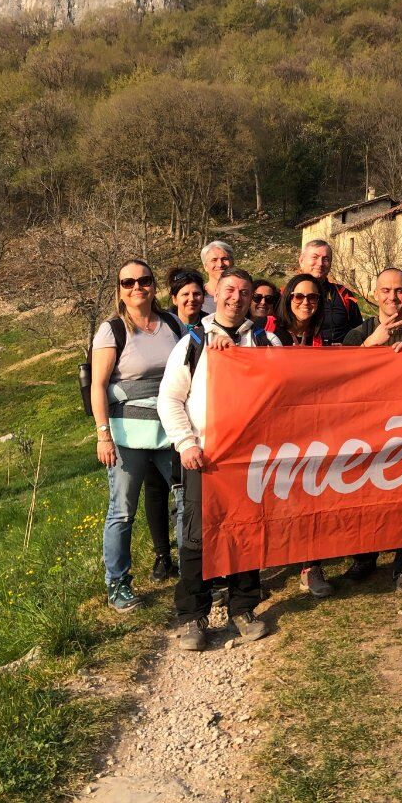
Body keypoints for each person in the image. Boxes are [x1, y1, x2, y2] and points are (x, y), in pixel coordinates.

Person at [158, 269, 272, 650]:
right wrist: (186, 443)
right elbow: (170, 398)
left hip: (249, 459)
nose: (236, 298)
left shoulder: (264, 340)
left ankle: (243, 608)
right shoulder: (193, 342)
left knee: (247, 532)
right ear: (215, 293)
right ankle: (193, 615)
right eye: (229, 290)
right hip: (205, 458)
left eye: (244, 292)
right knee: (195, 537)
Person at [91, 260, 182, 611]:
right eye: (128, 282)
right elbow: (99, 386)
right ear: (119, 289)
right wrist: (103, 436)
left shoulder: (171, 323)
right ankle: (118, 583)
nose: (137, 287)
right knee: (122, 511)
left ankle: (195, 571)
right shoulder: (111, 331)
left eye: (144, 280)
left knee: (186, 500)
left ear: (154, 285)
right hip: (127, 436)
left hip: (170, 430)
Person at [341, 267, 402, 601]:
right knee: (367, 497)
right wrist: (372, 344)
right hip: (367, 431)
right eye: (385, 290)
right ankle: (365, 557)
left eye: (398, 291)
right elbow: (339, 376)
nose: (392, 297)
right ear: (374, 293)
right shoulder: (357, 334)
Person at [263, 273, 335, 600]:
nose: (306, 302)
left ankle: (310, 565)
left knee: (310, 495)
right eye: (298, 297)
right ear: (287, 299)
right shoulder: (267, 332)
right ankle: (256, 569)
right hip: (272, 427)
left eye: (313, 297)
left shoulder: (325, 334)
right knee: (273, 497)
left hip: (314, 426)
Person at [297, 239, 362, 344]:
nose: (320, 263)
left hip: (337, 358)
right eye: (315, 257)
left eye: (326, 259)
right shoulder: (286, 295)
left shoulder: (344, 294)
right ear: (301, 261)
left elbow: (359, 333)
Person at [167, 267, 206, 337]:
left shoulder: (211, 326)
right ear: (174, 299)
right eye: (185, 294)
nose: (191, 299)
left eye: (196, 294)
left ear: (203, 297)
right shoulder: (165, 325)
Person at [200, 240, 235, 316]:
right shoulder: (197, 296)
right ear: (205, 266)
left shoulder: (242, 295)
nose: (220, 264)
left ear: (232, 262)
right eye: (214, 260)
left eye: (224, 259)